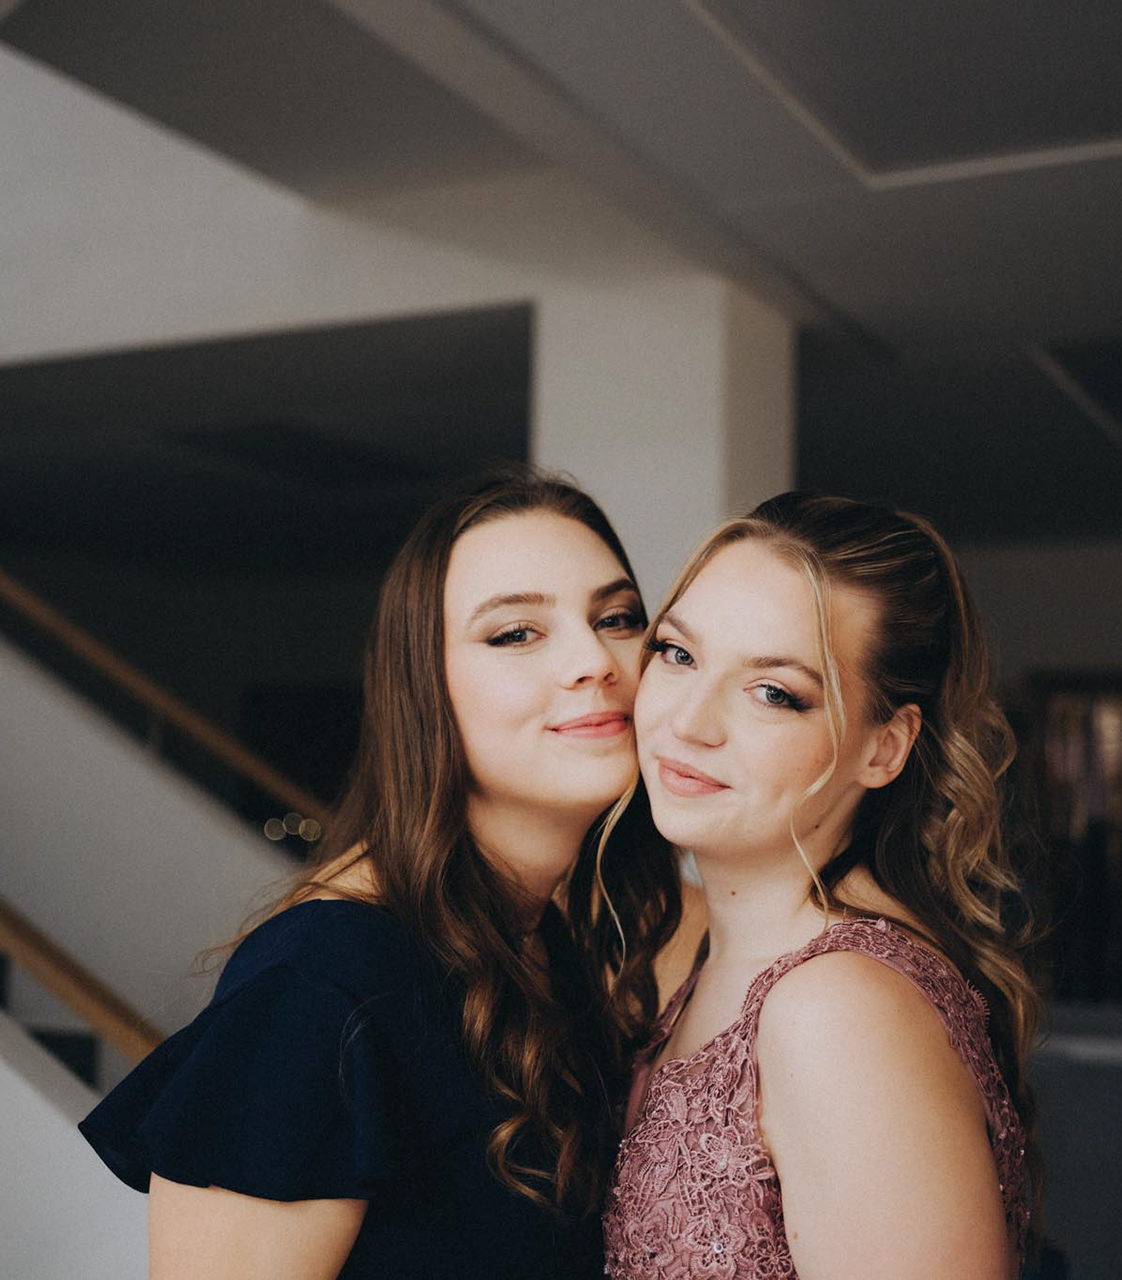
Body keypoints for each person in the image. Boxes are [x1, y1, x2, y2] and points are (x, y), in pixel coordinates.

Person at [80, 468, 679, 1279]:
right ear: (423, 688)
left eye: (617, 618)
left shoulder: (545, 942)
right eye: (515, 634)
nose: (595, 660)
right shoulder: (322, 982)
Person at [601, 492, 1039, 1279]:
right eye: (678, 653)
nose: (689, 721)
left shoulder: (837, 1010)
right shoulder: (718, 957)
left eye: (774, 692)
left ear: (883, 748)